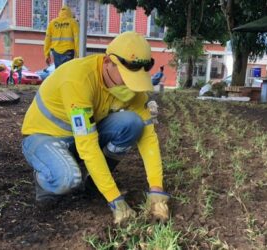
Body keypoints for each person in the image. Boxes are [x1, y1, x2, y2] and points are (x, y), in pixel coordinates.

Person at [21, 31, 170, 225]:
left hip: (79, 137)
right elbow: (88, 145)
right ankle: (45, 178)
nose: (130, 85)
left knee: (133, 124)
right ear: (108, 61)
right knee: (68, 178)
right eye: (126, 76)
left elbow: (148, 137)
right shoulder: (78, 79)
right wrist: (115, 200)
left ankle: (94, 182)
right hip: (44, 137)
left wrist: (157, 189)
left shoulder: (130, 89)